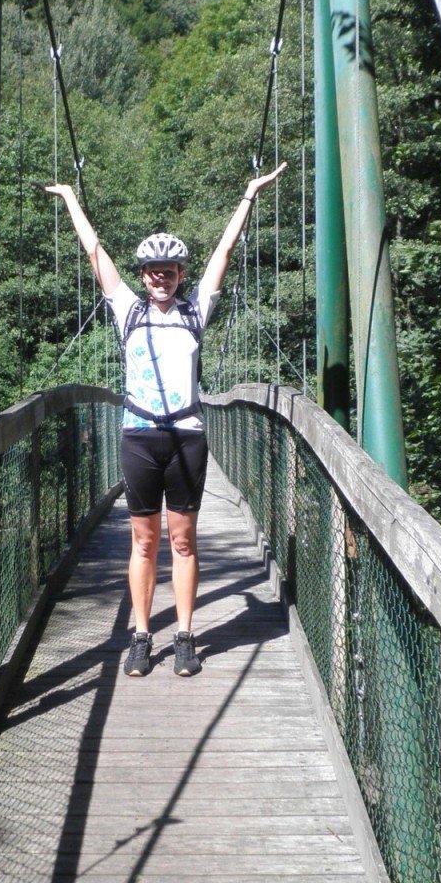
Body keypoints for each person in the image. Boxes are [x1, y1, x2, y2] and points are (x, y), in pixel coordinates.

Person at [46, 165, 287, 678]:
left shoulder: (196, 311)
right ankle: (140, 635)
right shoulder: (128, 310)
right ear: (143, 275)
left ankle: (183, 635)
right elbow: (95, 253)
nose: (161, 276)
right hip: (139, 434)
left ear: (181, 275)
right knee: (143, 541)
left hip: (186, 435)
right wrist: (69, 196)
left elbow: (223, 254)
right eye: (153, 270)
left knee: (182, 541)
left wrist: (247, 197)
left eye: (170, 270)